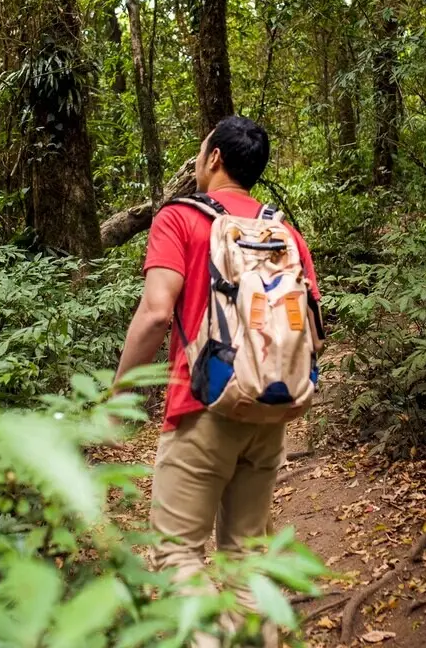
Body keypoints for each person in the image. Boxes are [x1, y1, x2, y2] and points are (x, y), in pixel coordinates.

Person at [115, 115, 322, 647]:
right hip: (271, 409)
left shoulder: (179, 219)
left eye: (201, 150)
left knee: (178, 552)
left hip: (201, 408)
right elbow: (313, 324)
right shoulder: (285, 232)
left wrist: (119, 392)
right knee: (245, 554)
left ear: (213, 160)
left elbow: (157, 312)